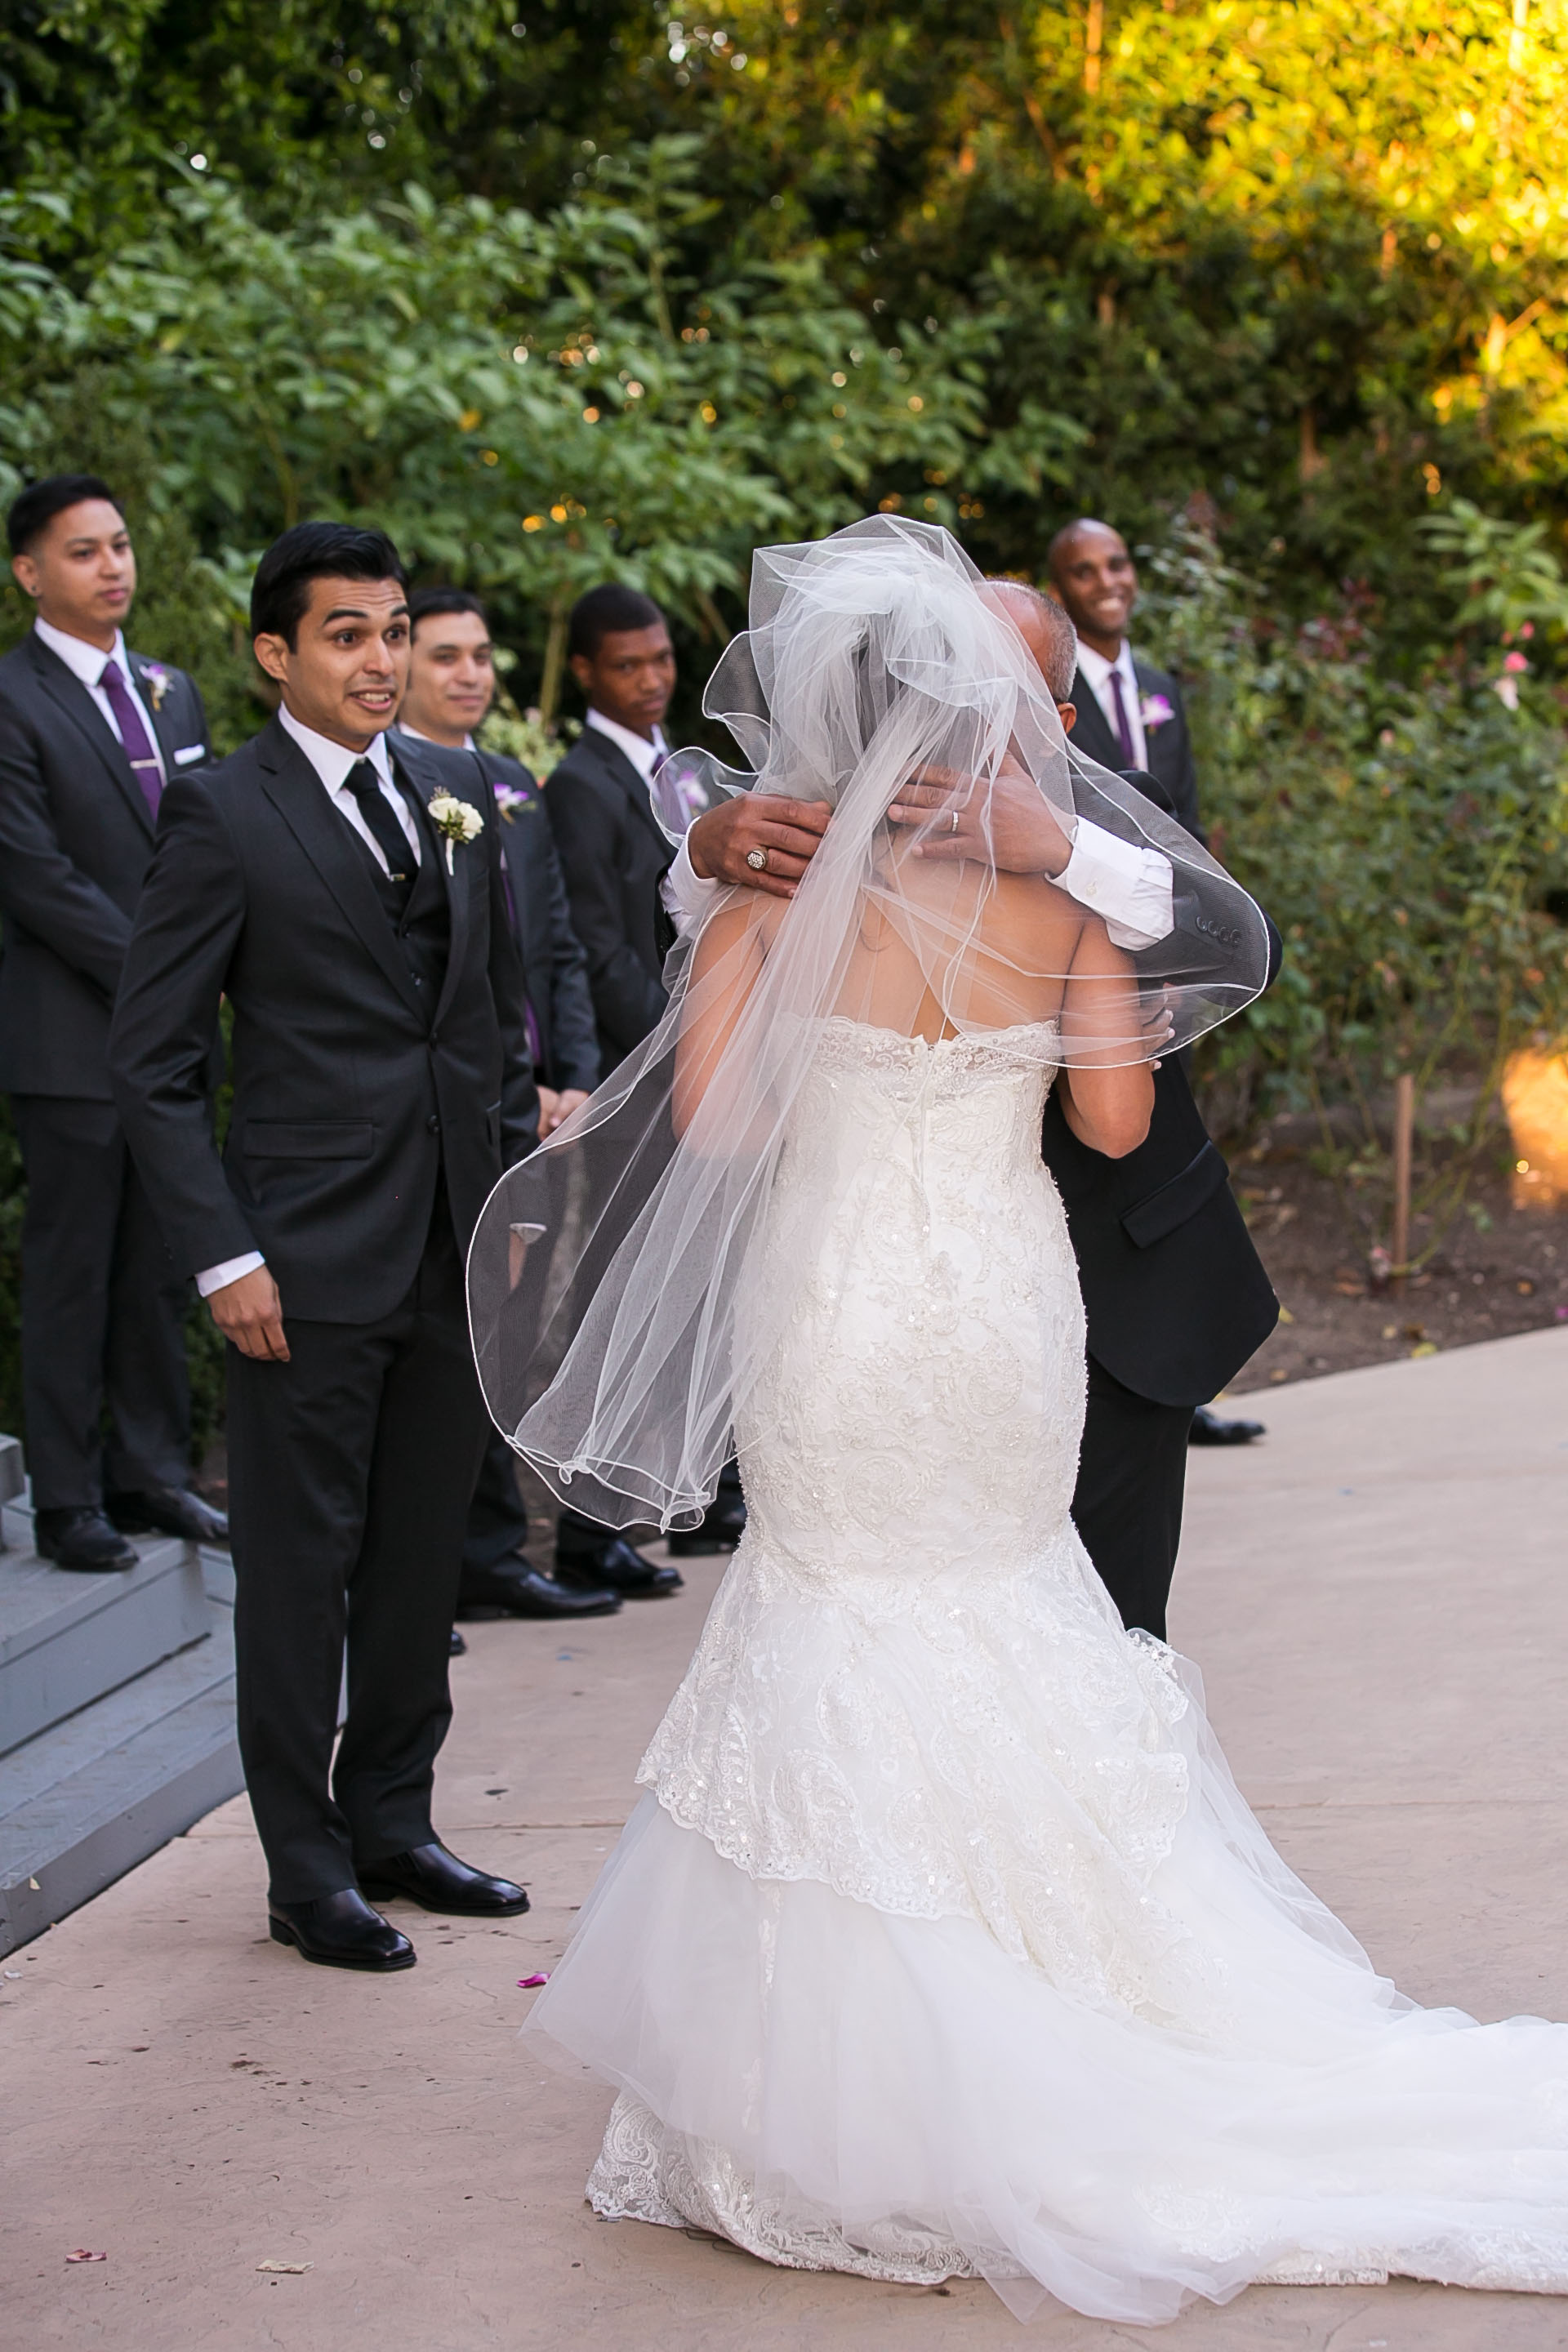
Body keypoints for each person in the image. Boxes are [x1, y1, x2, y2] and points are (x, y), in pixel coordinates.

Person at [470, 516, 1568, 2323]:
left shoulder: (768, 893)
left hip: (837, 1300)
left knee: (836, 1603)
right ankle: (1082, 1995)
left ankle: (824, 2088)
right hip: (997, 1299)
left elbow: (729, 1134)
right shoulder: (1058, 891)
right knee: (1003, 1593)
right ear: (986, 710)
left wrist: (741, 938)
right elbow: (1121, 1129)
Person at [109, 522, 538, 1975]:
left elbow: (480, 1029)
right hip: (294, 1263)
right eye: (346, 634)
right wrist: (223, 1258)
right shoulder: (218, 813)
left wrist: (508, 1221)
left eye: (394, 628)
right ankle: (307, 1873)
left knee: (423, 1560)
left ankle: (394, 1824)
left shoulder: (460, 789)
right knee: (301, 1574)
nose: (380, 658)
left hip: (445, 1249)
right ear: (275, 654)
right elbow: (152, 1062)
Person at [885, 582, 1277, 1637]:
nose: (965, 704)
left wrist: (1059, 847)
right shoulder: (854, 825)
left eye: (1000, 684)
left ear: (1059, 719)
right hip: (925, 1295)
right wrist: (708, 849)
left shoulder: (1118, 809)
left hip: (1122, 1282)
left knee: (1115, 1632)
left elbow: (1227, 939)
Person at [0, 474, 227, 1572]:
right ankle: (68, 1497)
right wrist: (163, 969)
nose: (113, 566)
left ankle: (154, 1476)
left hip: (172, 1038)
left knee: (158, 1261)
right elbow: (33, 875)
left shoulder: (171, 692)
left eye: (121, 545)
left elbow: (205, 845)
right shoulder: (10, 700)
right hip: (73, 1038)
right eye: (83, 551)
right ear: (30, 574)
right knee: (75, 1267)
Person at [394, 586, 620, 1624]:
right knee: (464, 1326)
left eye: (481, 653)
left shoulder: (512, 785)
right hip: (462, 1105)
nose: (471, 673)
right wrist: (508, 1085)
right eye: (445, 655)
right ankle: (460, 1556)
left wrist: (571, 1072)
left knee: (517, 1325)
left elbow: (555, 949)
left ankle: (489, 1549)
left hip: (542, 1096)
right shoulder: (394, 790)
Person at [1049, 517, 1266, 1451]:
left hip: (1166, 964)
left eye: (1118, 563)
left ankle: (1180, 1374)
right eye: (1085, 571)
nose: (1108, 581)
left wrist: (1191, 957)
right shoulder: (1053, 704)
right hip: (1081, 968)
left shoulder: (1161, 688)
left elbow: (1185, 829)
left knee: (1172, 1158)